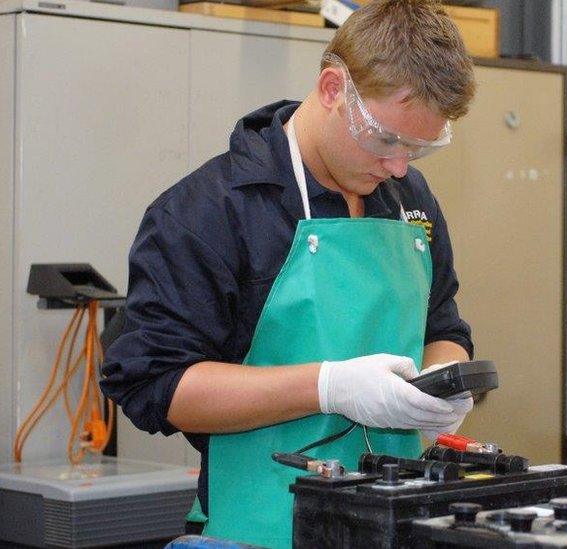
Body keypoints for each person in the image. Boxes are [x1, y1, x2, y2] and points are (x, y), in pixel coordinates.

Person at [100, 1, 477, 546]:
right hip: (262, 528)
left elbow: (442, 327)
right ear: (332, 89)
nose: (399, 166)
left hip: (393, 523)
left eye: (419, 149)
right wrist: (329, 386)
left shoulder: (407, 200)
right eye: (387, 141)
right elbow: (156, 384)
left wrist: (441, 387)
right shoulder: (210, 212)